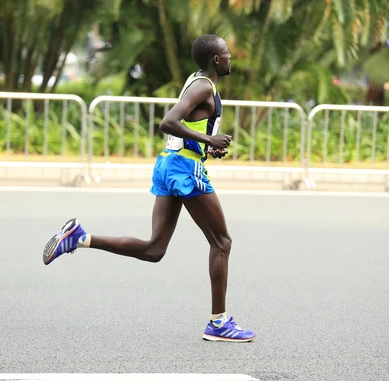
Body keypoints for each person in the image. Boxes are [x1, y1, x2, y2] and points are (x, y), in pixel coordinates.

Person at [42, 34, 256, 343]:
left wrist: (207, 148)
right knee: (222, 242)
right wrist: (210, 141)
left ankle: (80, 238)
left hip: (171, 163)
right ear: (216, 60)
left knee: (154, 249)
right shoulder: (202, 86)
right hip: (183, 169)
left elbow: (187, 129)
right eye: (226, 53)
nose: (230, 57)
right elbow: (168, 122)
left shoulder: (196, 81)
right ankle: (218, 323)